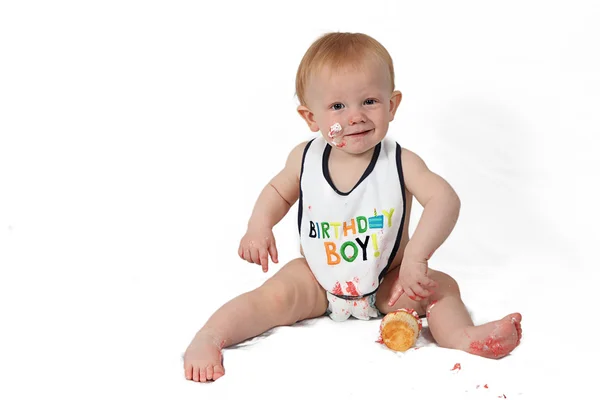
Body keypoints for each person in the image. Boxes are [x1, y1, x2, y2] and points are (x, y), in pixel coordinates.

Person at [183, 32, 522, 383]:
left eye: (370, 101)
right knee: (272, 296)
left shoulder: (401, 161)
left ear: (393, 105)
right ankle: (211, 335)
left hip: (389, 282)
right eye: (337, 107)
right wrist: (258, 226)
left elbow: (444, 199)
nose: (355, 117)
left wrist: (417, 260)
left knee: (442, 288)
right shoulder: (304, 159)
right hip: (317, 279)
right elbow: (277, 192)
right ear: (311, 117)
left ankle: (461, 336)